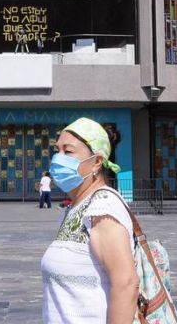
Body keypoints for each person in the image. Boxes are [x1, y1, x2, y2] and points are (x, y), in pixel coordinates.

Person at [41, 117, 138, 324]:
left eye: (68, 152)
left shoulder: (103, 208)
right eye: (57, 150)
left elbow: (126, 284)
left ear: (96, 161)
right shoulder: (76, 207)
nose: (58, 159)